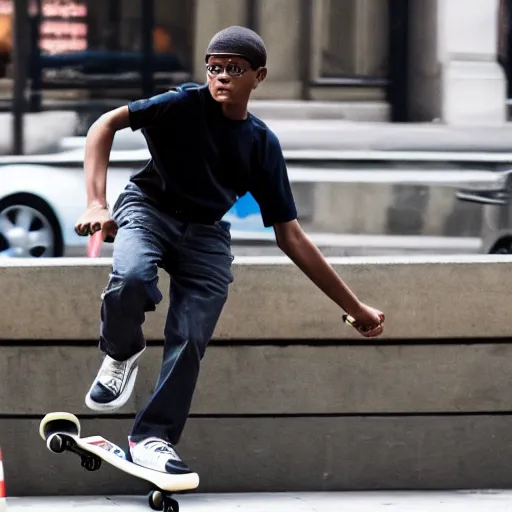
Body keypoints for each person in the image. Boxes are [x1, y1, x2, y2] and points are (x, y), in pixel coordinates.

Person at [74, 26, 385, 478]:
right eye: (213, 67)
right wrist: (96, 201)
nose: (220, 77)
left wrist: (354, 308)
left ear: (257, 77)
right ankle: (122, 352)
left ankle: (152, 438)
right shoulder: (180, 103)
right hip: (148, 209)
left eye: (233, 70)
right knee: (133, 277)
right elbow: (105, 124)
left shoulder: (261, 145)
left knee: (191, 335)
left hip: (206, 235)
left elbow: (291, 237)